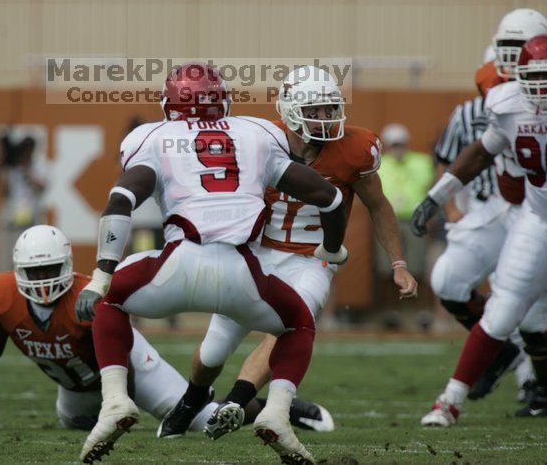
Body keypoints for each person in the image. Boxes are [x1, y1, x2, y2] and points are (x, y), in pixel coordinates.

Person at [76, 62, 349, 464]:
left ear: (169, 104)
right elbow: (330, 198)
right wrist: (332, 249)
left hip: (176, 265)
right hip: (243, 272)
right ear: (223, 100)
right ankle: (275, 411)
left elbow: (120, 202)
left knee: (109, 301)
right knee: (298, 324)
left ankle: (115, 401)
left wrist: (101, 275)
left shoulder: (152, 137)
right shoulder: (258, 133)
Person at [158, 66, 418, 442]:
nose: (326, 118)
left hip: (312, 260)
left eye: (330, 109)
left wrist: (399, 263)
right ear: (291, 110)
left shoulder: (354, 149)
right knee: (213, 351)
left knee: (292, 321)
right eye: (316, 110)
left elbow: (379, 206)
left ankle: (237, 401)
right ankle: (194, 397)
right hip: (256, 252)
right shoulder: (260, 140)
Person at [0, 224, 333, 435]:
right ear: (18, 272)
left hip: (130, 367)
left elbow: (118, 359)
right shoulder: (2, 298)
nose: (44, 280)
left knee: (203, 420)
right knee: (71, 422)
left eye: (50, 270)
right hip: (75, 386)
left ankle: (266, 406)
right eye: (35, 273)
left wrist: (122, 412)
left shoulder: (85, 299)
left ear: (66, 265)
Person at [411, 34, 547, 425]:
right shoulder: (507, 106)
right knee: (508, 308)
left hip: (529, 215)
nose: (541, 85)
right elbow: (480, 153)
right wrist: (437, 197)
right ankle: (450, 400)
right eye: (534, 75)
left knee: (535, 318)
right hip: (536, 220)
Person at [377, 123, 434, 280]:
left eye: (400, 144)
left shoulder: (423, 162)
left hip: (415, 219)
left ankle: (414, 303)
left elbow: (432, 187)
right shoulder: (379, 164)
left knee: (417, 264)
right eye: (394, 145)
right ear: (387, 145)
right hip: (388, 219)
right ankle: (390, 304)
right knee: (386, 265)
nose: (398, 148)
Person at [0, 129, 48, 272]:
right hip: (11, 222)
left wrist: (26, 169)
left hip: (32, 220)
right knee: (6, 262)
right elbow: (2, 191)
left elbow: (42, 186)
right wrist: (6, 164)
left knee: (32, 260)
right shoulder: (9, 168)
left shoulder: (38, 165)